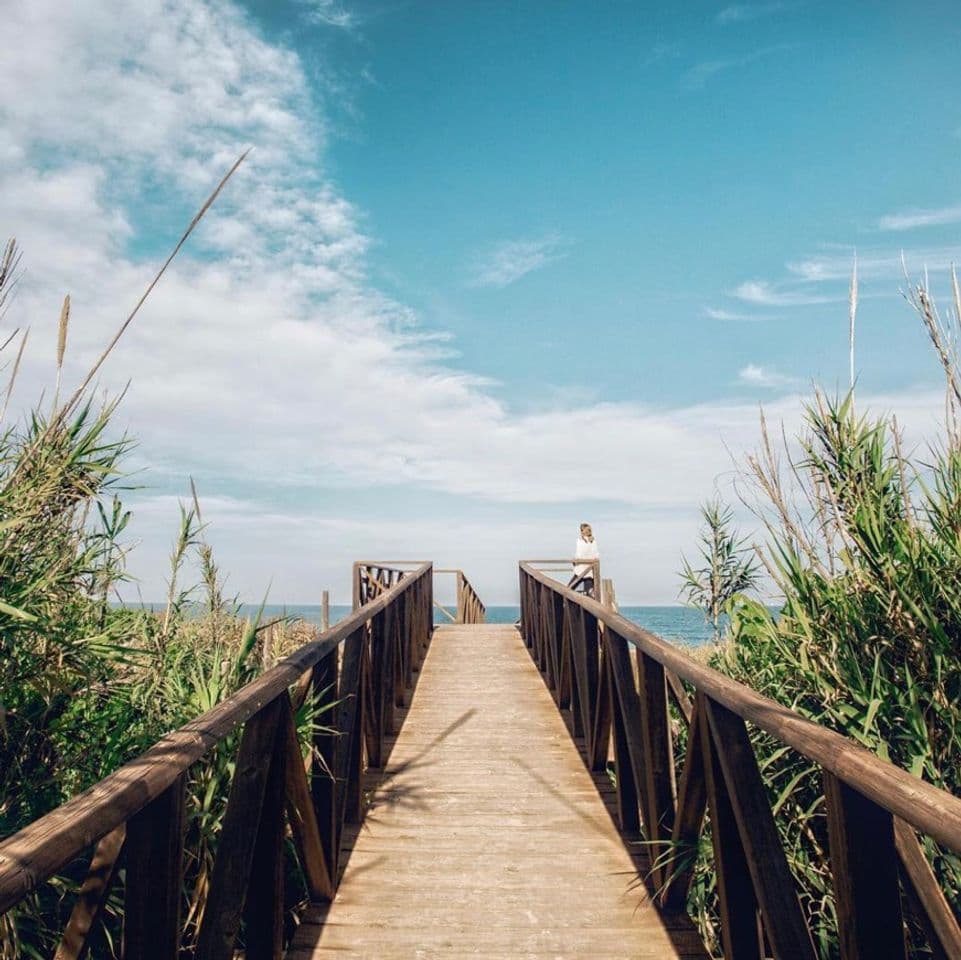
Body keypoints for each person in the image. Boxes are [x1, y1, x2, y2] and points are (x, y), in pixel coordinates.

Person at [568, 522, 599, 596]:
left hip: (580, 570)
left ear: (583, 531)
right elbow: (596, 556)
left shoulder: (579, 541)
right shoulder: (593, 541)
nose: (581, 532)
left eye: (581, 530)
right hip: (590, 571)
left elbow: (579, 555)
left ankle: (561, 604)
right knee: (589, 594)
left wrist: (574, 561)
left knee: (568, 589)